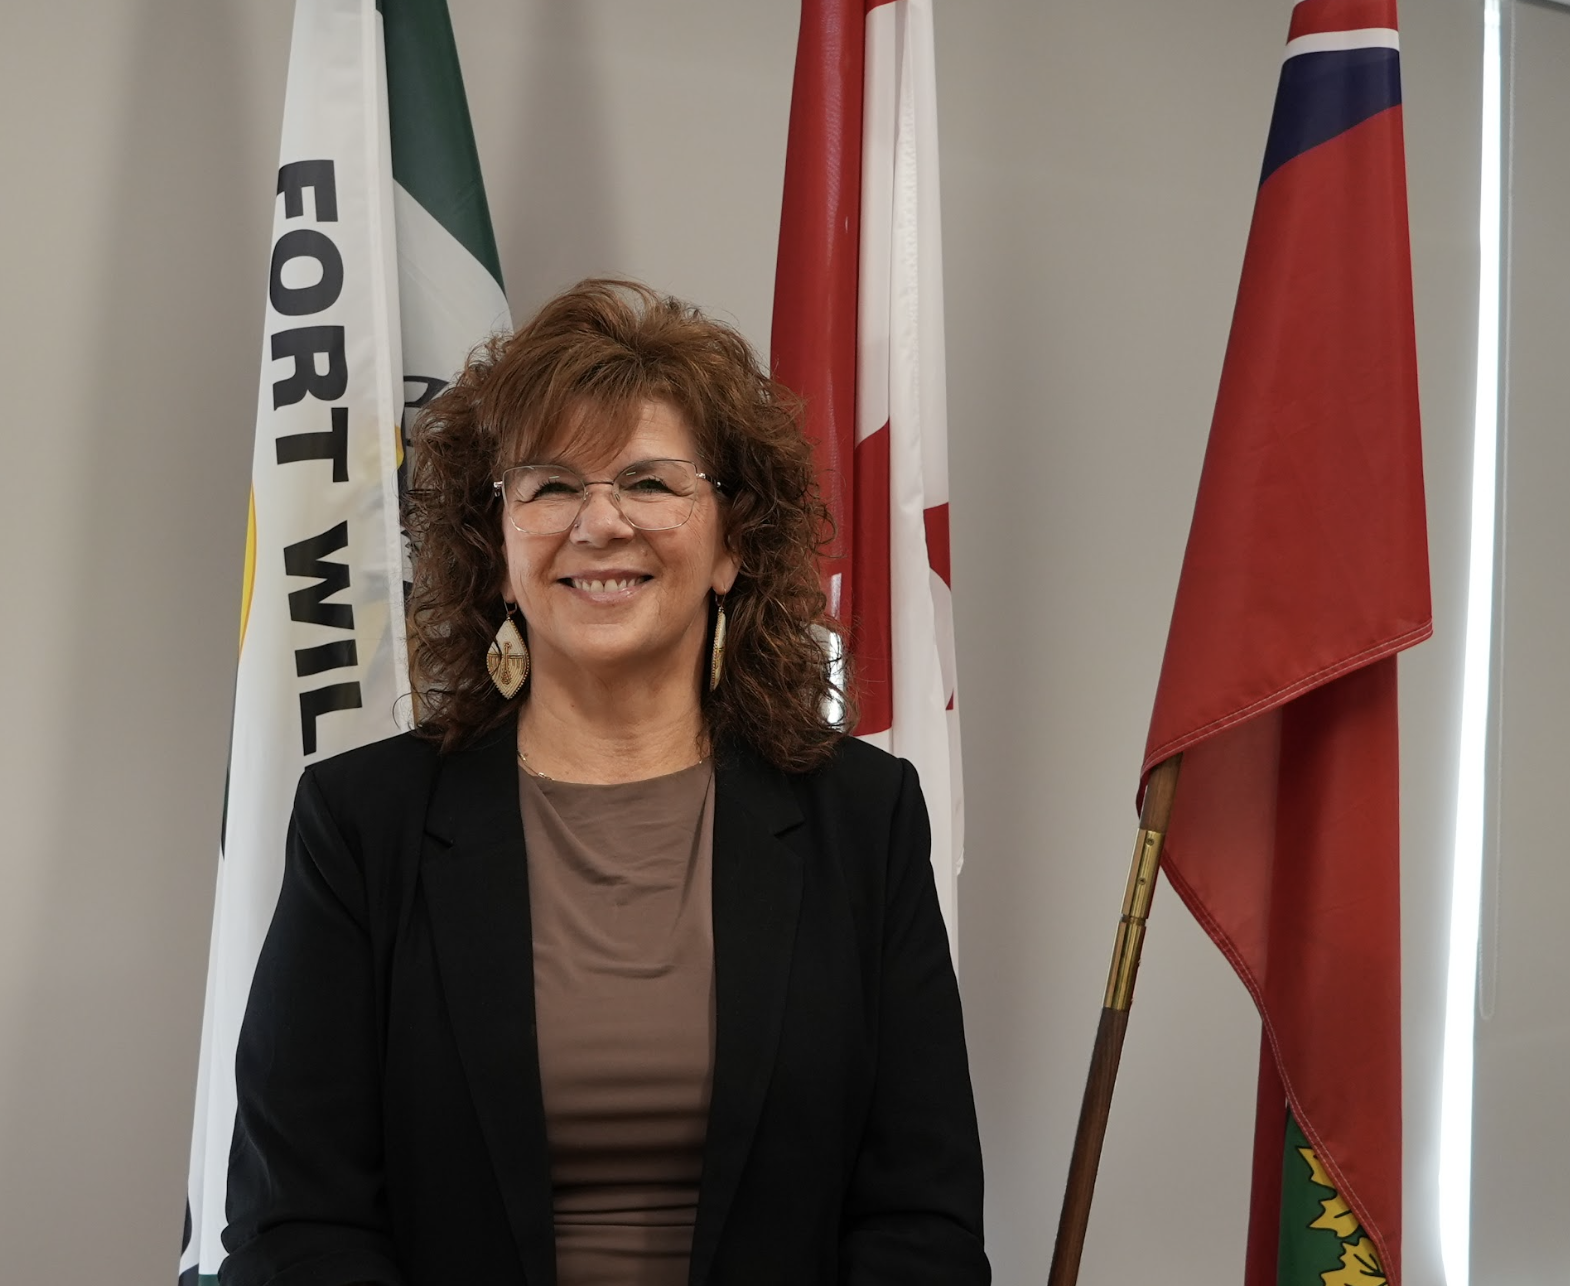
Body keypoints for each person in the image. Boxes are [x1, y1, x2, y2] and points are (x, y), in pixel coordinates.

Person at [219, 279, 989, 1286]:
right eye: (548, 486)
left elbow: (920, 1224)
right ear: (499, 552)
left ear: (732, 544)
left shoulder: (863, 820)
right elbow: (294, 1227)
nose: (599, 522)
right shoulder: (362, 826)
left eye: (650, 483)